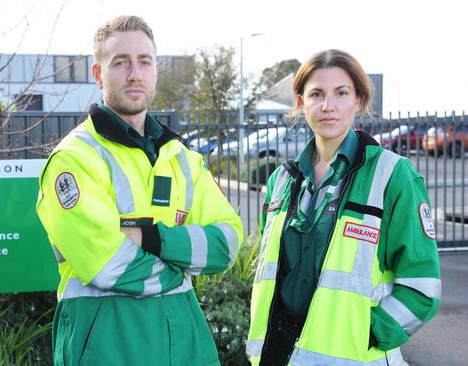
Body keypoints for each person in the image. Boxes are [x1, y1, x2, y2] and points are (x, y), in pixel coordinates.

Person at [36, 15, 243, 366]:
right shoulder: (75, 159)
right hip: (107, 347)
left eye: (144, 61)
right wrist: (180, 266)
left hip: (185, 344)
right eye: (121, 62)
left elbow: (227, 243)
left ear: (156, 70)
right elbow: (107, 265)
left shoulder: (182, 158)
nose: (135, 73)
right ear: (98, 74)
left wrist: (150, 239)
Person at [246, 49, 441, 365]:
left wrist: (368, 334)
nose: (328, 106)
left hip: (356, 356)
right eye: (316, 94)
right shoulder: (281, 180)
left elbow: (422, 287)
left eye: (341, 93)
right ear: (300, 103)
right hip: (281, 353)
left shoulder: (393, 175)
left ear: (359, 101)